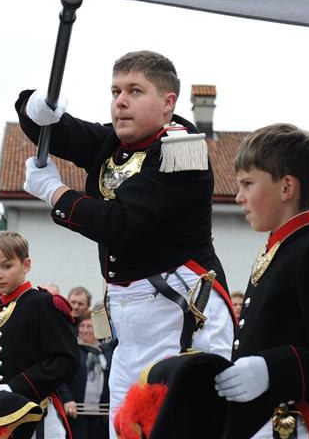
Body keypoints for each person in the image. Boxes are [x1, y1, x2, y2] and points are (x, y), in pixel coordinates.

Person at [16, 50, 234, 438]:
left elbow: (120, 223)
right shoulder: (113, 144)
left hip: (177, 314)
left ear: (168, 103)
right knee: (124, 429)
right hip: (129, 321)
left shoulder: (183, 152)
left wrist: (55, 192)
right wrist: (37, 106)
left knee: (176, 428)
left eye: (135, 90)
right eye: (116, 90)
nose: (121, 101)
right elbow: (58, 132)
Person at [214, 124, 309, 439]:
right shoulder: (281, 249)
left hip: (297, 424)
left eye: (247, 184)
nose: (238, 197)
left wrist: (272, 369)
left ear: (286, 188)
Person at [0, 230, 80, 439]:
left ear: (26, 265)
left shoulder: (43, 303)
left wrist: (16, 387)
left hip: (38, 413)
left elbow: (66, 359)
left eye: (6, 266)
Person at [61, 311, 114, 439]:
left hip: (102, 416)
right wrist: (67, 399)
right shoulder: (72, 350)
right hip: (77, 414)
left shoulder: (108, 352)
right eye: (82, 326)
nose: (85, 330)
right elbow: (61, 377)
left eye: (89, 326)